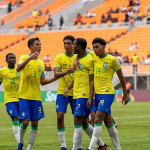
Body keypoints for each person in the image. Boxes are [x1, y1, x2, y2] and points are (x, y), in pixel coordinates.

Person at [64, 38, 107, 150]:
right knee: (82, 122)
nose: (72, 47)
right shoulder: (77, 58)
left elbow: (91, 79)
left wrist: (90, 96)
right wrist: (68, 87)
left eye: (74, 45)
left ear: (79, 47)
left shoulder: (90, 58)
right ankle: (102, 145)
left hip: (84, 94)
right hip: (76, 93)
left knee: (77, 119)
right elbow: (77, 76)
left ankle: (75, 148)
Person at [86, 38, 129, 150]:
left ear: (104, 46)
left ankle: (90, 148)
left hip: (107, 94)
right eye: (94, 47)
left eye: (97, 47)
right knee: (108, 121)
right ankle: (118, 148)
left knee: (97, 118)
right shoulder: (93, 56)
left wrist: (125, 93)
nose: (95, 49)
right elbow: (81, 49)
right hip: (96, 95)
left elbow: (121, 78)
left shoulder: (113, 60)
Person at [16, 37, 57, 150]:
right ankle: (20, 144)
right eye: (37, 44)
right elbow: (18, 69)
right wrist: (29, 59)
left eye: (40, 44)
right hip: (24, 96)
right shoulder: (23, 57)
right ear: (31, 47)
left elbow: (42, 82)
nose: (39, 46)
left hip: (36, 97)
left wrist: (55, 77)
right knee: (25, 121)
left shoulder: (40, 63)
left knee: (34, 122)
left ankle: (29, 148)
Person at [54, 35, 76, 150]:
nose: (66, 45)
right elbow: (56, 74)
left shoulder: (78, 57)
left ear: (73, 44)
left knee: (79, 119)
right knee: (59, 116)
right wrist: (66, 72)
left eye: (68, 43)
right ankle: (63, 146)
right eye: (65, 43)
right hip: (62, 92)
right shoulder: (59, 57)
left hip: (76, 92)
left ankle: (77, 145)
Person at [0, 53, 20, 145]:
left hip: (21, 99)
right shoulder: (2, 71)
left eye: (14, 58)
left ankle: (20, 139)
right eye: (11, 58)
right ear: (6, 60)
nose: (13, 59)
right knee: (15, 118)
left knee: (23, 121)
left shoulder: (19, 70)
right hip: (9, 100)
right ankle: (20, 144)